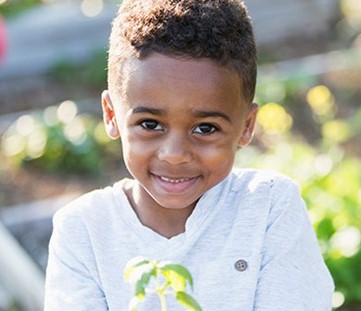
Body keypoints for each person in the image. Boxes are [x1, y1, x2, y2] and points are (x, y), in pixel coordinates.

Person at [44, 0, 334, 310]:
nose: (174, 155)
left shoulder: (268, 209)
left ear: (246, 126)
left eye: (205, 129)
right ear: (111, 114)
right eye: (150, 124)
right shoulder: (83, 230)